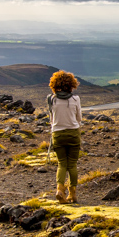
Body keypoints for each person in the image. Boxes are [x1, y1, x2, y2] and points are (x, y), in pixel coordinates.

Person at [46, 70, 82, 204]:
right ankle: (72, 194)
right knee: (72, 164)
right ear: (71, 85)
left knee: (61, 164)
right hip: (73, 134)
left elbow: (51, 119)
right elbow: (79, 118)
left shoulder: (51, 99)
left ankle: (60, 189)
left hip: (58, 134)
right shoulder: (75, 99)